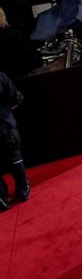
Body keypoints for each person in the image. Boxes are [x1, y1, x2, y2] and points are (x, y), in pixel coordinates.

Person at [0, 71, 28, 210]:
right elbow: (16, 98)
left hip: (5, 125)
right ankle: (23, 189)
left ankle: (1, 200)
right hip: (5, 125)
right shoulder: (0, 76)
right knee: (14, 157)